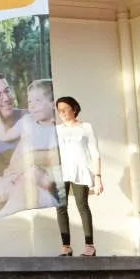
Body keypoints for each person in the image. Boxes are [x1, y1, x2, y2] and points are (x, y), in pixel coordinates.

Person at [54, 95, 102, 256]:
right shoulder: (56, 130)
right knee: (61, 207)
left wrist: (98, 177)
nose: (62, 112)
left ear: (74, 109)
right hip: (61, 172)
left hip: (80, 170)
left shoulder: (86, 127)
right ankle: (66, 247)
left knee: (82, 206)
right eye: (59, 110)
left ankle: (89, 246)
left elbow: (95, 153)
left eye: (65, 109)